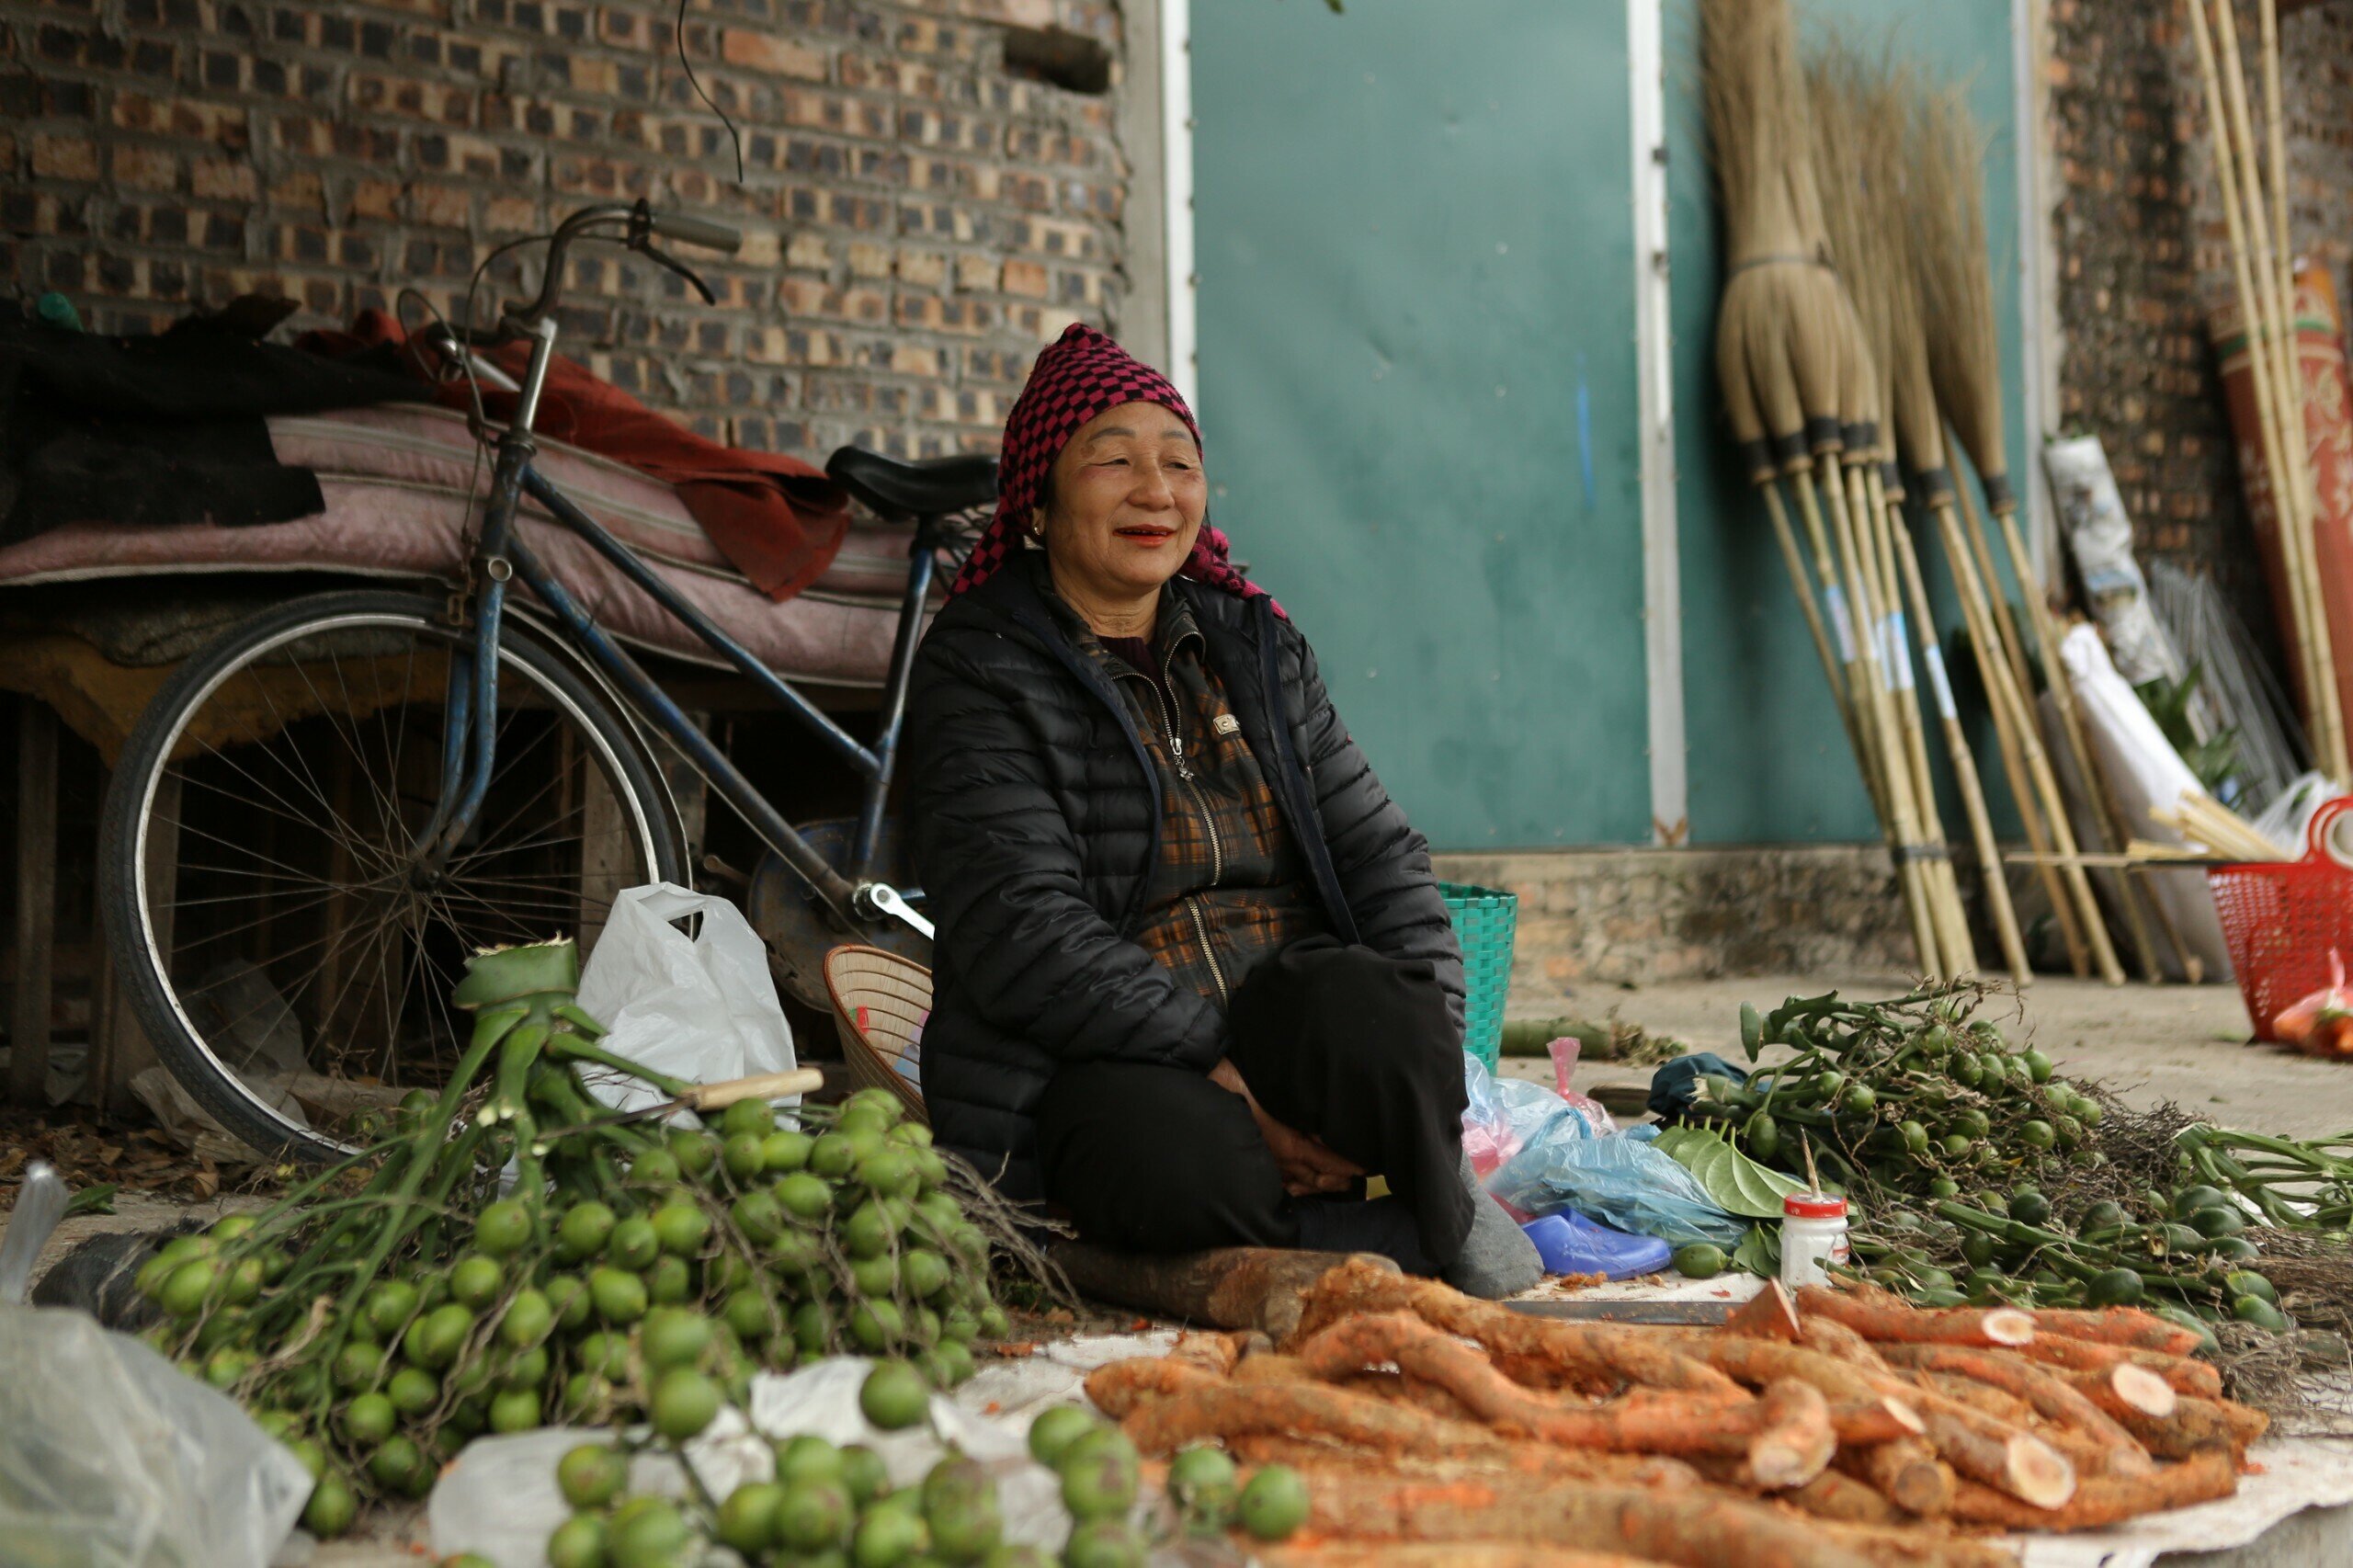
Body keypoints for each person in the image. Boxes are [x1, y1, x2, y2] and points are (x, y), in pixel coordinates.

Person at [903, 324, 1539, 1297]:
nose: (1155, 491)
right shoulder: (979, 667)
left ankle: (1365, 1215)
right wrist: (1218, 1070)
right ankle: (1406, 1228)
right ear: (1037, 498)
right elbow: (1023, 928)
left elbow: (1380, 854)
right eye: (1113, 460)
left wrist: (1427, 1059)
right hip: (1105, 1052)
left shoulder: (1257, 644)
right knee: (1186, 1162)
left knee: (1393, 1011)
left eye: (1179, 463)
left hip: (1286, 1015)